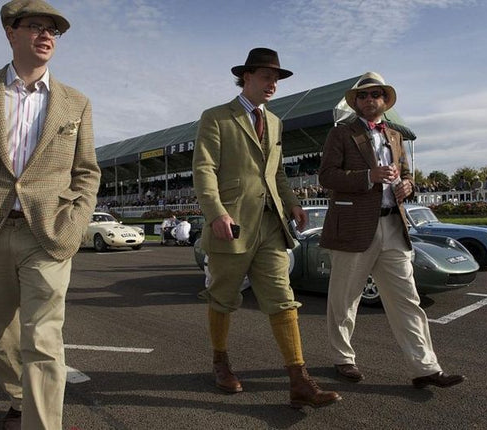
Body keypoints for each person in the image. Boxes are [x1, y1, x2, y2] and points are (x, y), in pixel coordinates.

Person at [0, 1, 101, 428]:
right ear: (11, 33)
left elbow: (87, 172)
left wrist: (75, 222)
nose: (47, 35)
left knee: (44, 339)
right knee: (3, 339)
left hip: (47, 234)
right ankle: (17, 398)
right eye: (36, 26)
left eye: (54, 30)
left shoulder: (76, 102)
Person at [192, 47, 340, 408]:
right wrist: (216, 213)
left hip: (272, 225)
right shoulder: (216, 117)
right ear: (246, 77)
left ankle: (299, 380)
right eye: (266, 76)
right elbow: (203, 169)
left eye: (276, 78)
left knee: (282, 299)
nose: (272, 83)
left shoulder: (274, 122)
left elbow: (276, 172)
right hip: (232, 224)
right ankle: (220, 361)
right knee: (223, 298)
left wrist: (291, 203)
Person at [318, 72, 465, 389]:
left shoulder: (396, 136)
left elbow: (408, 175)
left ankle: (426, 367)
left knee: (407, 300)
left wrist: (408, 186)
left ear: (385, 101)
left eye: (376, 95)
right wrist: (368, 175)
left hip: (393, 227)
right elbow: (327, 177)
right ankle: (343, 358)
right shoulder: (341, 134)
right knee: (345, 300)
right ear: (355, 102)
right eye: (364, 96)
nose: (370, 100)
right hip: (353, 228)